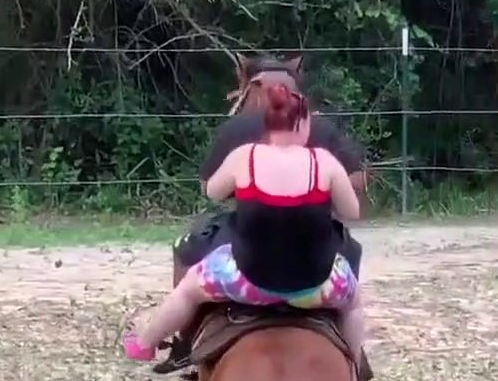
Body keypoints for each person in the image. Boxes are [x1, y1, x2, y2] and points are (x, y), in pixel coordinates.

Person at [125, 84, 367, 363]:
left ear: (268, 123)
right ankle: (356, 365)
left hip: (247, 280)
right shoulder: (323, 162)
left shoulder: (245, 157)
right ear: (302, 123)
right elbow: (352, 212)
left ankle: (145, 345)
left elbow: (213, 191)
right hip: (315, 285)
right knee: (354, 306)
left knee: (189, 290)